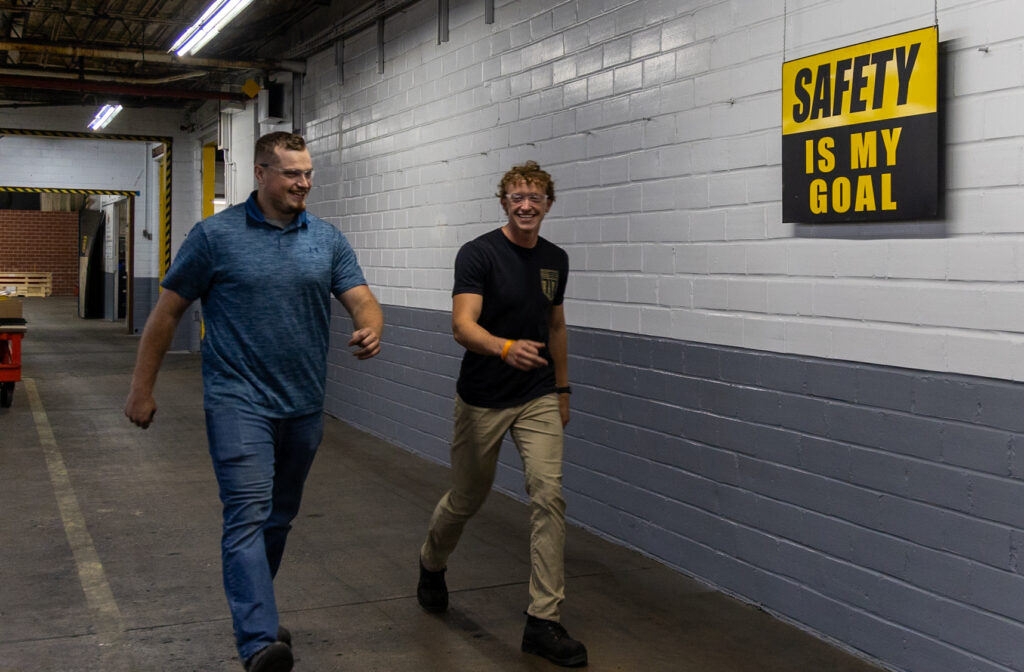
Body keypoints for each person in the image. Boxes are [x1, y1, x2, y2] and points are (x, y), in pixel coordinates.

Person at [125, 132, 383, 672]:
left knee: (278, 518)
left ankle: (256, 608)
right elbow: (167, 313)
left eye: (308, 173)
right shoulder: (214, 237)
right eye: (292, 173)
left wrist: (370, 327)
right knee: (246, 515)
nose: (303, 183)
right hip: (237, 401)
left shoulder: (327, 239)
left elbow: (362, 299)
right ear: (261, 174)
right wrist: (140, 388)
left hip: (304, 405)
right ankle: (259, 641)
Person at [416, 161, 587, 667]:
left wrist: (561, 388)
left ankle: (543, 620)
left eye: (535, 197)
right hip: (483, 396)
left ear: (549, 204)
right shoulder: (479, 254)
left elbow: (556, 326)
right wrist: (504, 347)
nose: (526, 205)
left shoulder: (556, 259)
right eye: (517, 196)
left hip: (537, 394)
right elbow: (461, 326)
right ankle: (431, 561)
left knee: (548, 495)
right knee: (467, 496)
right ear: (504, 203)